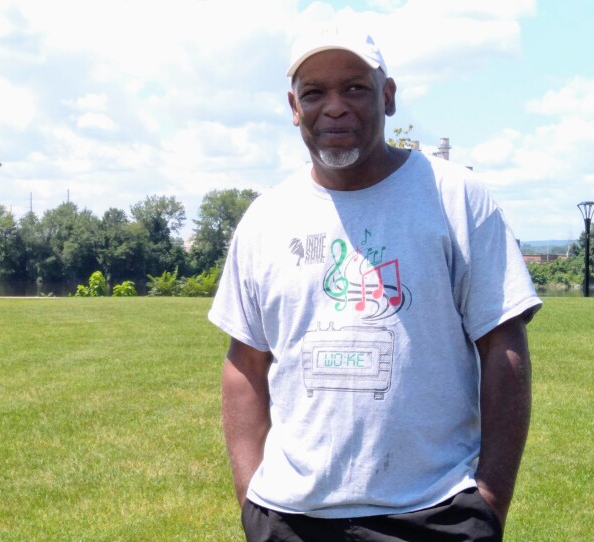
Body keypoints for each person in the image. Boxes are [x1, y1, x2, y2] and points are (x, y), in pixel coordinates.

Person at [208, 27, 542, 542]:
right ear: (294, 107)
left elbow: (503, 343)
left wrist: (489, 501)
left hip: (433, 510)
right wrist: (252, 498)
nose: (335, 107)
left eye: (355, 89)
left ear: (387, 97)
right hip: (291, 520)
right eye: (315, 93)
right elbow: (245, 364)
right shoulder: (265, 219)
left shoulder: (456, 199)